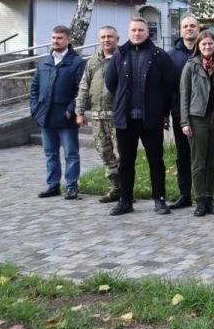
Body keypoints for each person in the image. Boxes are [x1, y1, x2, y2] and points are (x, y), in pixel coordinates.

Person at [104, 17, 180, 216]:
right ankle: (125, 201)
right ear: (128, 33)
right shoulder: (119, 54)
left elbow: (171, 85)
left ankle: (159, 200)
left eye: (140, 30)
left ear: (148, 32)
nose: (137, 33)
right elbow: (111, 83)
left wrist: (163, 111)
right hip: (125, 119)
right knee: (126, 162)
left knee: (156, 160)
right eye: (133, 30)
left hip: (151, 118)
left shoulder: (159, 55)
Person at [31, 25, 85, 200]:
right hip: (45, 117)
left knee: (71, 154)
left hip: (66, 118)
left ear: (68, 40)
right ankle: (53, 185)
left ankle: (71, 186)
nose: (55, 41)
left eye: (59, 38)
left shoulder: (77, 63)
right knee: (50, 153)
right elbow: (34, 88)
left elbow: (81, 91)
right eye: (53, 38)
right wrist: (35, 109)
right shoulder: (43, 62)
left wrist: (71, 111)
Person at [179, 30, 214, 217]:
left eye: (210, 44)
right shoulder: (191, 66)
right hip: (197, 117)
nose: (207, 47)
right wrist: (184, 121)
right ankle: (200, 200)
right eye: (204, 44)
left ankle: (210, 198)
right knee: (199, 161)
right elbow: (184, 95)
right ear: (198, 46)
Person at [75, 25, 121, 203]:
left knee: (122, 156)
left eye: (110, 37)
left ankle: (127, 190)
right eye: (103, 37)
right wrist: (79, 112)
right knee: (105, 153)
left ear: (117, 39)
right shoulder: (92, 61)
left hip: (117, 117)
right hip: (97, 116)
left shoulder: (122, 58)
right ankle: (115, 188)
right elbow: (84, 87)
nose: (106, 40)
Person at [167, 13, 199, 209]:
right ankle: (185, 194)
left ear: (198, 28)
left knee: (202, 156)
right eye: (185, 26)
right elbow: (167, 87)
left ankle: (204, 195)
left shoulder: (206, 50)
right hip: (180, 113)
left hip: (204, 114)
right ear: (181, 30)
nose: (189, 29)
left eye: (192, 26)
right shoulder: (171, 56)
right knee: (183, 155)